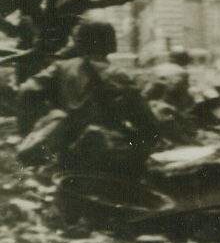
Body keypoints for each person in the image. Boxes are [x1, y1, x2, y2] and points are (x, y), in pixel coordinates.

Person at [16, 20, 160, 174]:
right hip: (106, 154)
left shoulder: (60, 68)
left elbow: (27, 91)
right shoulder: (118, 75)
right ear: (111, 44)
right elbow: (148, 124)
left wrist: (39, 125)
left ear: (79, 44)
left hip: (66, 155)